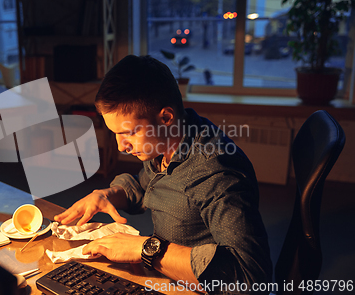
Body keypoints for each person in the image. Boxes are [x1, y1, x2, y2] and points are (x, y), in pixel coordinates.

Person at [54, 55, 272, 294]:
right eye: (115, 133)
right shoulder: (166, 142)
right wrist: (108, 194)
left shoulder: (216, 172)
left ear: (166, 117)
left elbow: (250, 279)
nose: (120, 146)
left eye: (128, 133)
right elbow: (149, 187)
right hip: (165, 276)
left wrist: (146, 249)